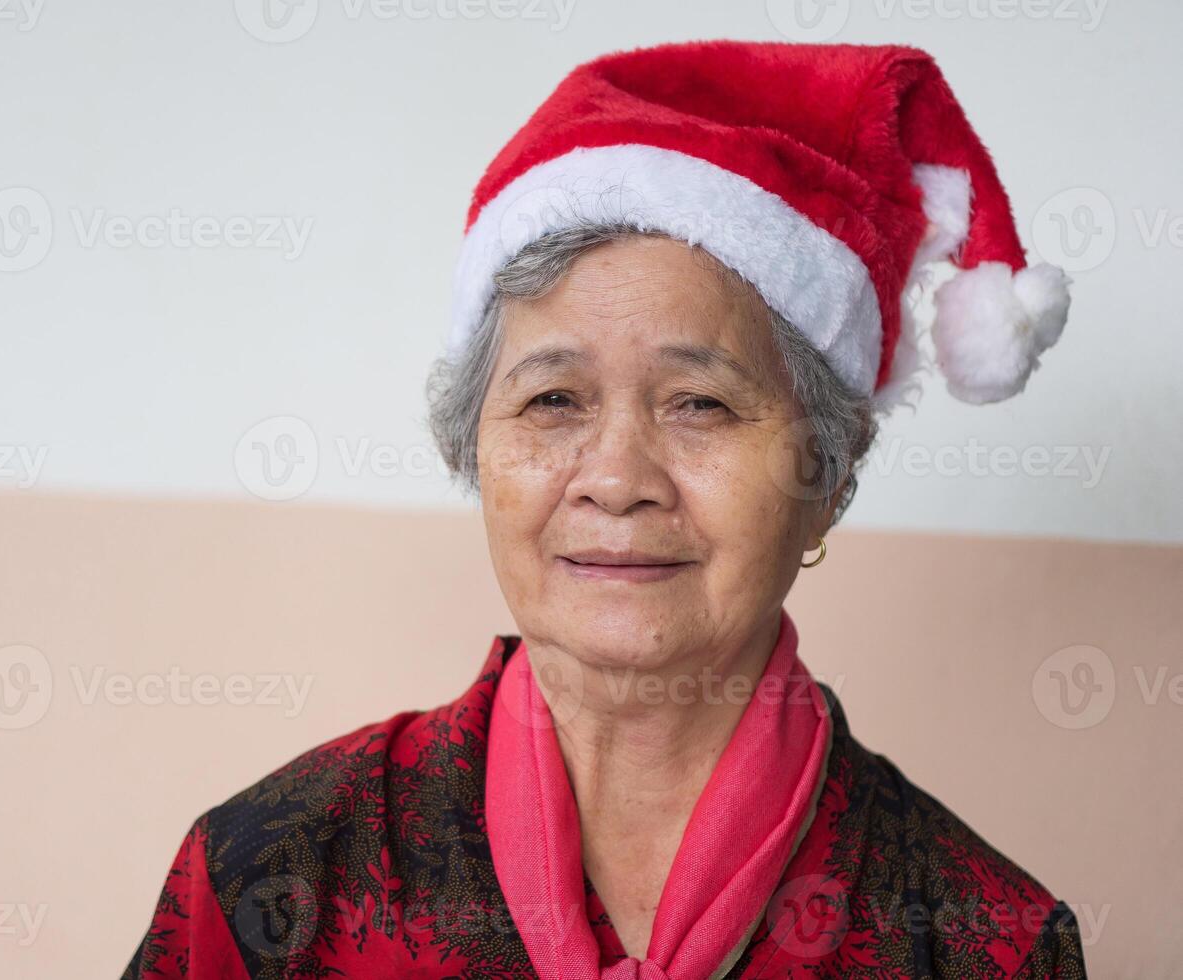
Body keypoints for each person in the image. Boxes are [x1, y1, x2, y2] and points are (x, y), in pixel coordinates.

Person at [122, 39, 1086, 978]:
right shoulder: (272, 881)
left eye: (700, 404)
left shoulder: (981, 943)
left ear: (825, 478)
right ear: (473, 448)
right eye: (552, 402)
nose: (616, 479)